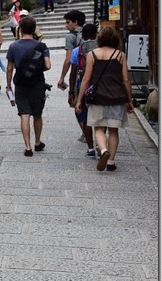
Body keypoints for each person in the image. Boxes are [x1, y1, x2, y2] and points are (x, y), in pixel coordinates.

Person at [75, 26, 135, 172]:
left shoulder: (92, 54)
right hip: (117, 97)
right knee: (114, 131)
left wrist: (79, 100)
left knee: (98, 128)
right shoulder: (120, 55)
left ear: (100, 38)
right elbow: (126, 80)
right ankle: (111, 162)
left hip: (98, 97)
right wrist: (129, 100)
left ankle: (103, 151)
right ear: (115, 39)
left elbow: (86, 79)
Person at [5, 16, 52, 157]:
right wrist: (34, 70)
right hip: (38, 83)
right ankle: (38, 142)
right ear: (34, 29)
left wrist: (8, 85)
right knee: (37, 114)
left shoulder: (13, 46)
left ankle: (27, 147)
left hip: (20, 84)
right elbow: (48, 66)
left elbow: (9, 68)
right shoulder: (41, 46)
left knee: (24, 114)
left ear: (20, 29)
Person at [68, 24, 98, 157]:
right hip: (100, 87)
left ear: (83, 36)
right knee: (99, 116)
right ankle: (101, 143)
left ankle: (91, 148)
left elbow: (73, 73)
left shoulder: (77, 50)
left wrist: (72, 92)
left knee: (84, 118)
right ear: (97, 34)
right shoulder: (102, 49)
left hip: (83, 87)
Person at [57, 10, 85, 92]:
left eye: (68, 22)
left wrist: (62, 77)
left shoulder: (70, 36)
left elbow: (68, 59)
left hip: (77, 71)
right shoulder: (88, 32)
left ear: (75, 22)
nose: (66, 26)